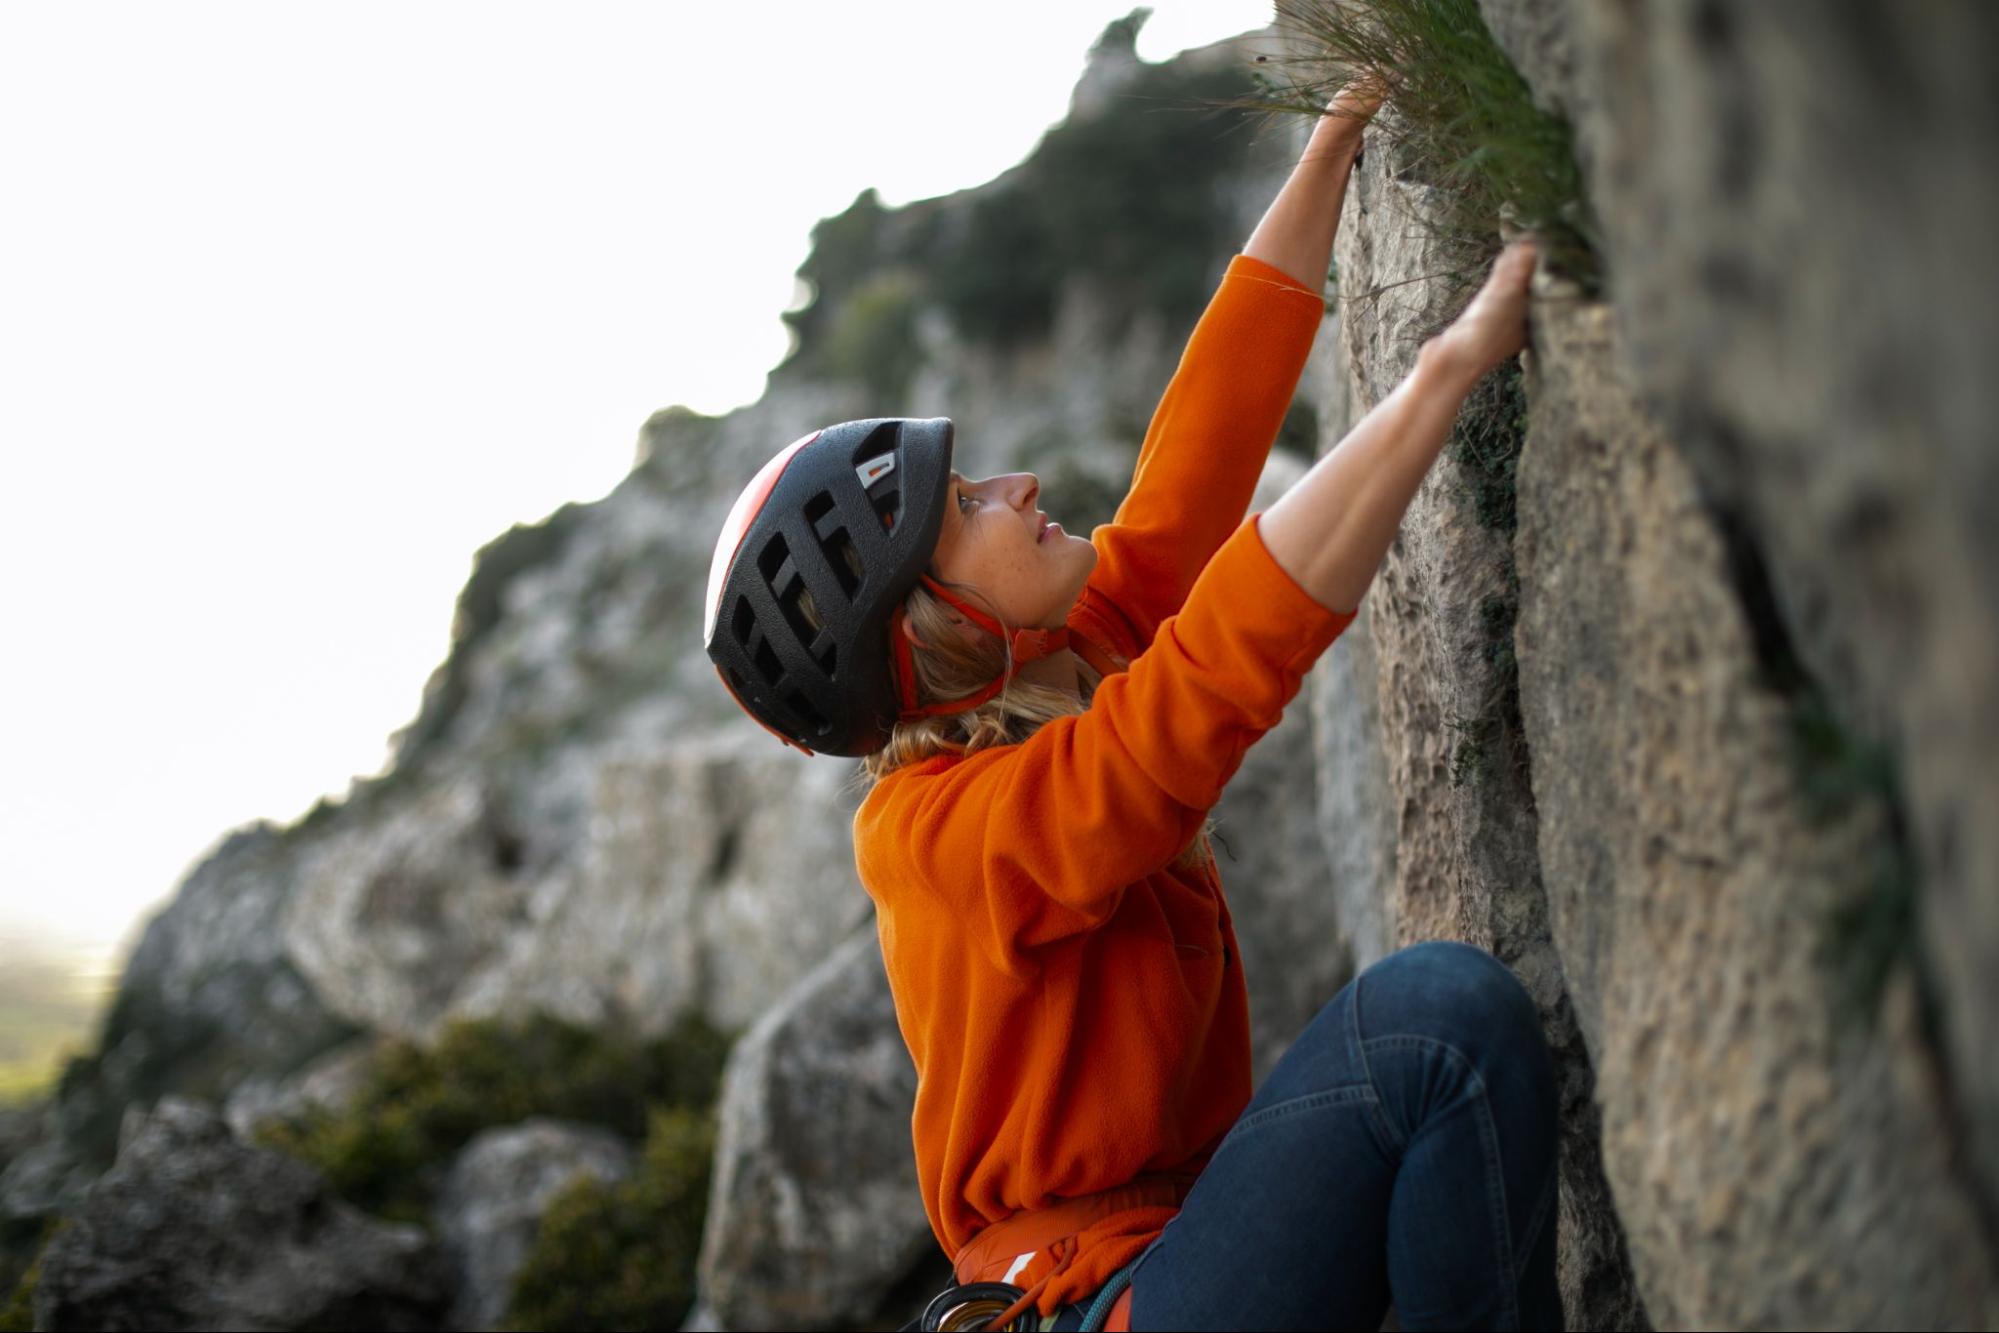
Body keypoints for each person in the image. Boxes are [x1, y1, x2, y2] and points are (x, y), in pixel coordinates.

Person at [703, 78, 1561, 1332]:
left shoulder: (1049, 668)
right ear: (931, 624)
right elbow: (1190, 700)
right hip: (1094, 1301)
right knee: (1434, 1025)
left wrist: (1330, 147)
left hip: (1176, 1258)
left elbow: (1186, 478)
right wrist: (1439, 382)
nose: (1019, 483)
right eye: (969, 509)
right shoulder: (939, 837)